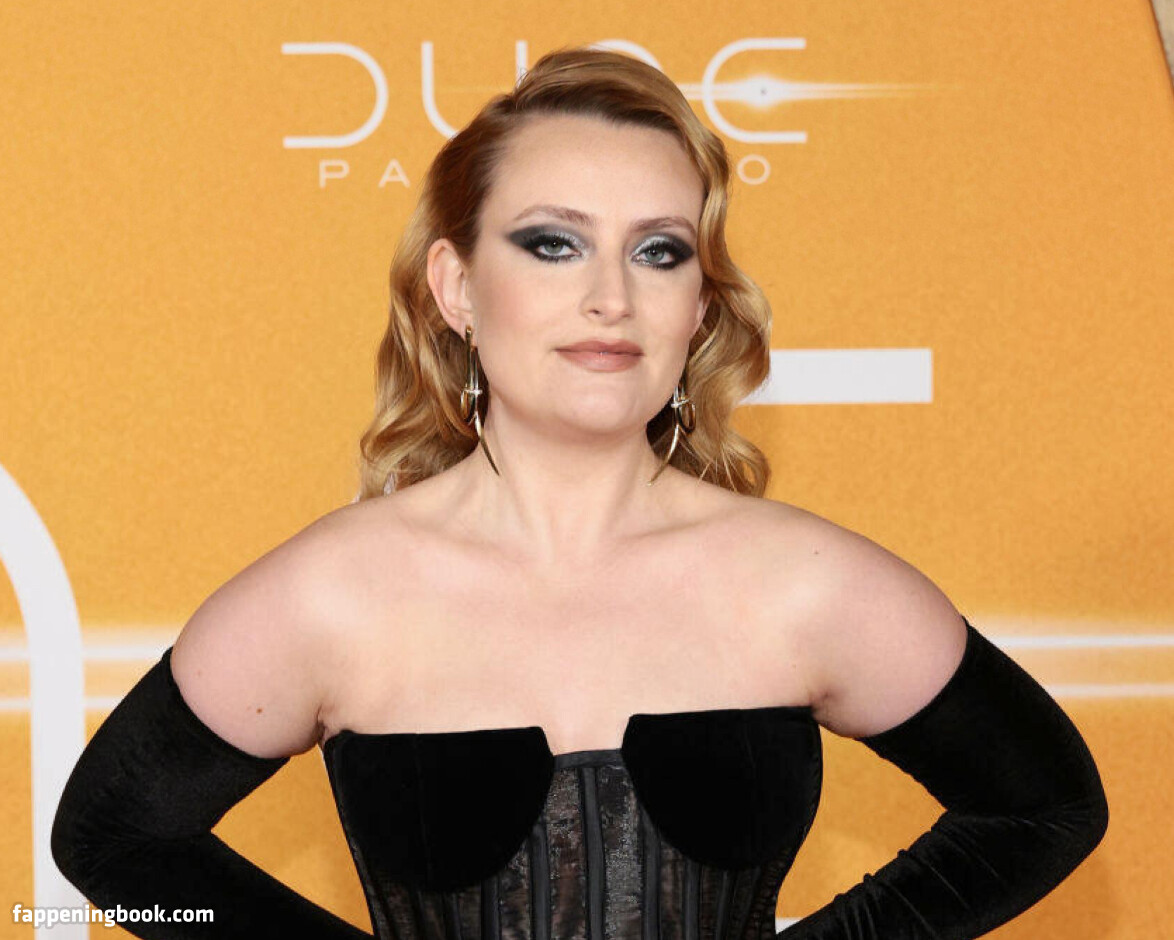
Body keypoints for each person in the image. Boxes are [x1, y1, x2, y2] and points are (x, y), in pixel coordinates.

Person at [51, 45, 1108, 940]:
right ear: (458, 287)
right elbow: (111, 840)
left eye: (658, 252)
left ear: (698, 309)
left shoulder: (804, 582)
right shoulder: (338, 592)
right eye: (553, 244)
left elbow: (1043, 809)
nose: (611, 296)